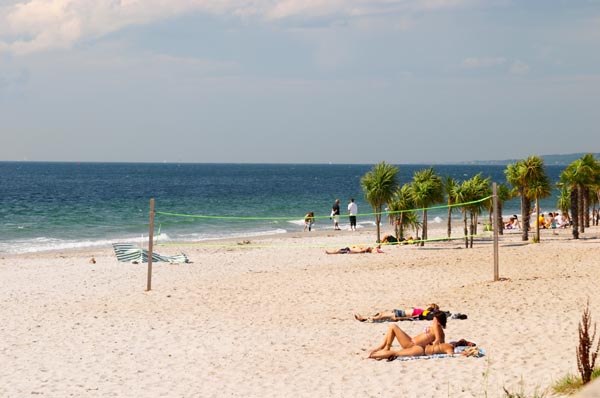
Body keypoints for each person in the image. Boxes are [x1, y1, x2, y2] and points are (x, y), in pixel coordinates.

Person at [368, 311, 454, 360]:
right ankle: (384, 347)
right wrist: (433, 346)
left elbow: (438, 340)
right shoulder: (441, 330)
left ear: (438, 320)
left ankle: (386, 347)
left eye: (434, 318)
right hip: (414, 344)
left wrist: (433, 347)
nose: (433, 320)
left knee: (393, 326)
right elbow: (441, 342)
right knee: (393, 327)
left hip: (412, 344)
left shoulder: (436, 326)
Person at [355, 303, 440, 322]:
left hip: (402, 314)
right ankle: (366, 318)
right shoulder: (425, 312)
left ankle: (363, 318)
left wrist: (399, 318)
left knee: (381, 315)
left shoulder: (425, 313)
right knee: (381, 315)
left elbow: (415, 317)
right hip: (402, 313)